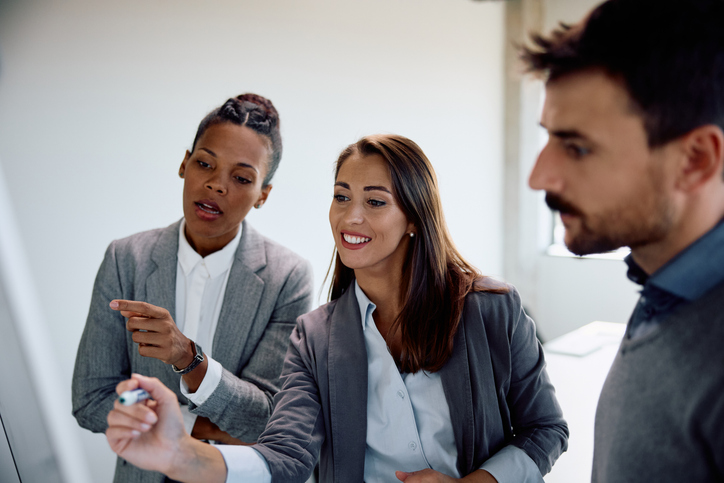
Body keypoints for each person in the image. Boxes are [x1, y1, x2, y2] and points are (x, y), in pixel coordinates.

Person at [104, 134, 568, 483]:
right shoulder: (315, 337)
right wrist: (181, 455)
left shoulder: (491, 310)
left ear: (414, 217)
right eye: (342, 196)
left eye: (375, 202)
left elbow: (545, 428)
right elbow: (286, 454)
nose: (351, 217)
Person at [521, 0, 724, 481]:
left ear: (695, 159)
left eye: (577, 147)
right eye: (548, 138)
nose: (538, 176)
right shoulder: (665, 288)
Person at [72, 93, 314, 483]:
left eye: (241, 177)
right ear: (184, 164)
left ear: (263, 195)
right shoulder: (126, 258)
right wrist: (181, 423)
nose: (217, 185)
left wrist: (188, 358)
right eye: (205, 163)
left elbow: (267, 420)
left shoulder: (288, 277)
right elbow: (91, 399)